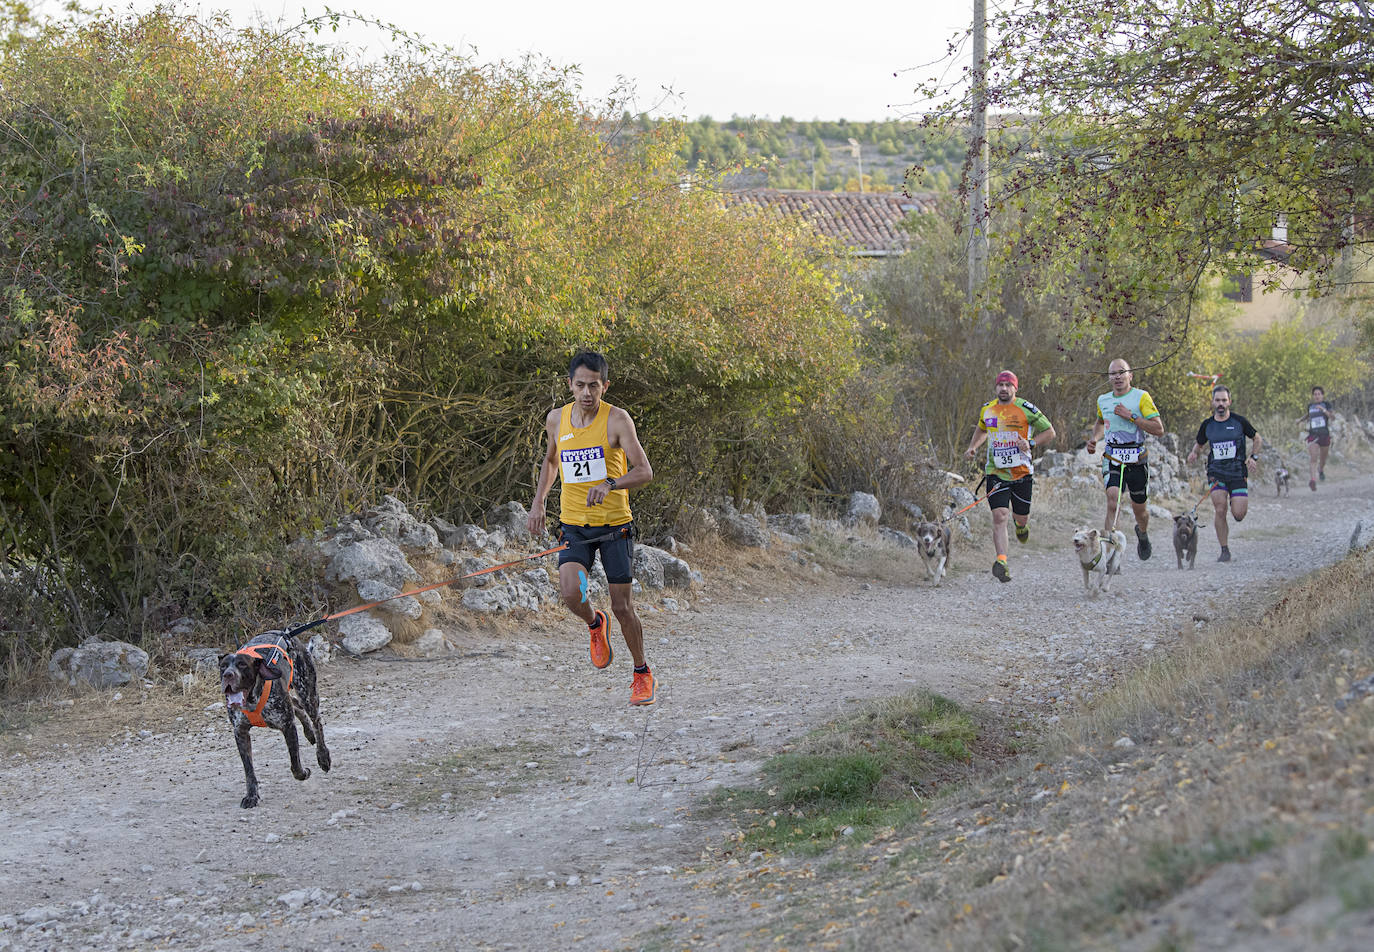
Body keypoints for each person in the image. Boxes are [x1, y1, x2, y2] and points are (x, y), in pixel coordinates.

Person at [527, 351, 656, 706]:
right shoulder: (556, 419)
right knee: (571, 592)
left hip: (614, 527)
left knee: (623, 607)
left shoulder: (617, 420)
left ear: (605, 385)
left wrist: (612, 484)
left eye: (594, 386)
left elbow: (645, 472)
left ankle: (641, 673)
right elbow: (551, 461)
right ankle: (594, 623)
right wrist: (538, 503)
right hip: (573, 525)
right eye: (580, 385)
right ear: (569, 384)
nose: (586, 392)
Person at [963, 370, 1057, 583]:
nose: (1003, 389)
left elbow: (1050, 432)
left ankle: (1021, 526)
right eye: (1000, 385)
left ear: (1016, 388)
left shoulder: (1026, 409)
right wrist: (972, 448)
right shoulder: (988, 409)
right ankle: (1002, 561)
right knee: (1000, 515)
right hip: (996, 472)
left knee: (1020, 516)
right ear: (995, 388)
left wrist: (1031, 443)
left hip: (1022, 473)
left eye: (1008, 385)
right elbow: (981, 430)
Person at [1084, 359, 1166, 560]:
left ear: (1131, 375)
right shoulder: (1103, 400)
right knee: (1113, 501)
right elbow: (1101, 422)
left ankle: (1143, 534)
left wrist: (1132, 417)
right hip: (1112, 456)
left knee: (1141, 510)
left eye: (1122, 372)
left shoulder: (1141, 397)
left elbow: (1159, 429)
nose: (1118, 377)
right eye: (1113, 373)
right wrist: (1094, 438)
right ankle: (1110, 554)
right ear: (1109, 378)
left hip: (1136, 458)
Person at [1186, 385, 1261, 563]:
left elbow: (1257, 438)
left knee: (1238, 514)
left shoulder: (1239, 421)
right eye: (1217, 400)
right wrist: (1194, 453)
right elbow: (1199, 444)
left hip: (1237, 473)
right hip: (1216, 473)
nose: (1220, 404)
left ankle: (1235, 501)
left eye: (1224, 400)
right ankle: (1224, 549)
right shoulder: (1207, 425)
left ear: (1229, 402)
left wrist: (1254, 457)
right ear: (1213, 402)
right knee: (1220, 509)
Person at [1297, 386, 1333, 491]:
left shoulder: (1326, 404)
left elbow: (1332, 417)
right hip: (1313, 435)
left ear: (1322, 395)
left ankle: (1320, 470)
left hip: (1324, 435)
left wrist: (1323, 410)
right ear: (1313, 396)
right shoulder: (1310, 406)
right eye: (1315, 394)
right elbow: (1308, 415)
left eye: (1319, 394)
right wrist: (1300, 420)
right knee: (1313, 457)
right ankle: (1313, 480)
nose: (1317, 396)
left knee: (1323, 458)